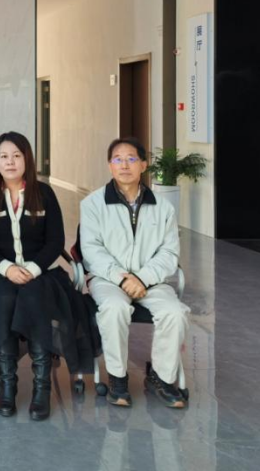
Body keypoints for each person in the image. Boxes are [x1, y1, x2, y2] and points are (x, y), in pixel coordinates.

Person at [0, 132, 100, 419]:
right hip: (2, 274)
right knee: (3, 298)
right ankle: (7, 383)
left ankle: (42, 387)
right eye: (4, 156)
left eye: (16, 155)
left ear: (27, 159)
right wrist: (7, 268)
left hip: (42, 274)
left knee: (35, 298)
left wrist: (32, 269)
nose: (10, 162)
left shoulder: (44, 193)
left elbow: (55, 241)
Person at [80, 137, 191, 409]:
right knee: (114, 308)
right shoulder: (93, 204)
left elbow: (169, 253)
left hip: (151, 281)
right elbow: (91, 250)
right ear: (110, 165)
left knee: (175, 313)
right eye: (118, 159)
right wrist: (122, 278)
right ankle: (118, 378)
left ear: (143, 164)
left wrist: (142, 278)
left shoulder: (163, 207)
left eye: (131, 159)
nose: (124, 165)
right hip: (108, 279)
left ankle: (162, 378)